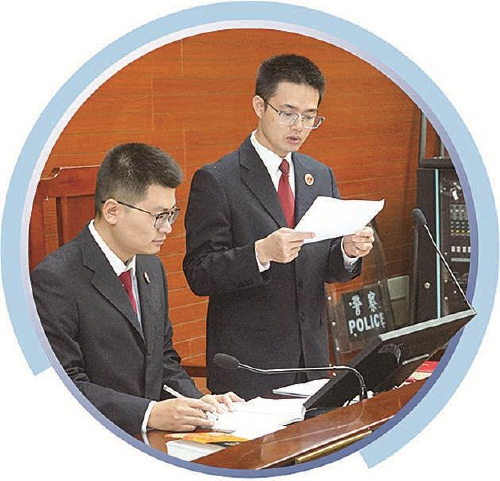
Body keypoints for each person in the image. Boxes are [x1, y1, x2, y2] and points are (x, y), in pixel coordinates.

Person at [183, 54, 375, 400]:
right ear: (259, 106)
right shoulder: (218, 179)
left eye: (309, 116)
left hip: (312, 361)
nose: (298, 126)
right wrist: (260, 253)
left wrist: (347, 252)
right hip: (249, 367)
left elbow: (325, 267)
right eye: (287, 113)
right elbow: (199, 273)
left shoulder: (320, 175)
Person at [31, 143, 241, 436]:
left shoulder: (150, 267)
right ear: (113, 211)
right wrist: (149, 414)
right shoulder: (55, 279)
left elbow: (163, 358)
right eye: (158, 216)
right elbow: (63, 384)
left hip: (153, 436)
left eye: (171, 214)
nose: (167, 228)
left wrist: (197, 402)